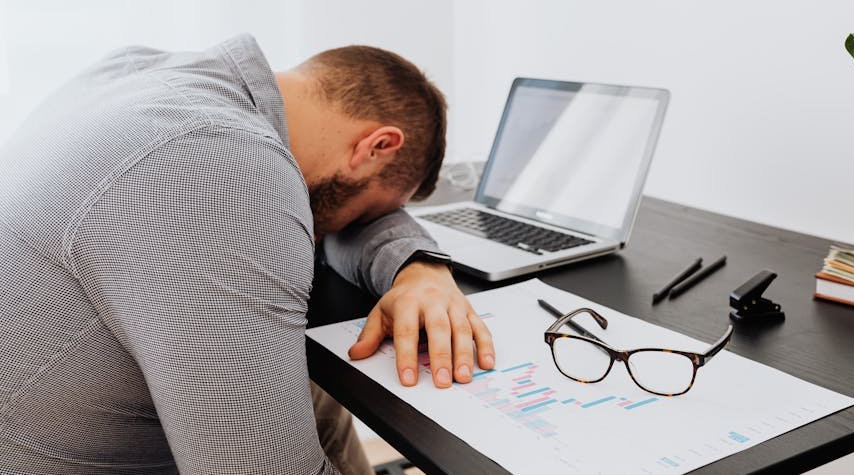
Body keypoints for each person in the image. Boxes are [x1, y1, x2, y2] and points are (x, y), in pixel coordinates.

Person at [0, 34, 495, 474]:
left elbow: (334, 208)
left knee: (312, 386)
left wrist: (417, 267)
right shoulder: (226, 166)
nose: (346, 229)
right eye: (368, 212)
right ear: (376, 146)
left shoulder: (139, 73)